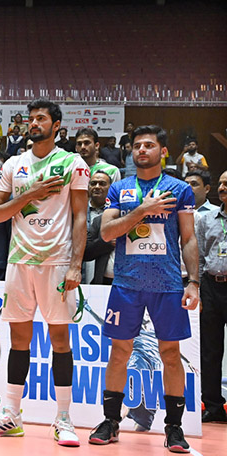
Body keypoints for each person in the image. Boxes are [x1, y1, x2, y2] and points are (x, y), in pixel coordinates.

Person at [0, 98, 89, 446]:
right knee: (19, 340)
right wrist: (34, 193)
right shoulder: (14, 164)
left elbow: (81, 217)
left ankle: (64, 419)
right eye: (31, 119)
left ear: (57, 125)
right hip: (19, 261)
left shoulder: (74, 163)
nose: (33, 123)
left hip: (56, 262)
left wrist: (75, 265)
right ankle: (11, 415)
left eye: (41, 118)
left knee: (60, 341)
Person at [90, 125, 199, 453]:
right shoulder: (120, 188)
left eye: (149, 145)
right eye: (137, 145)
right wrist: (141, 211)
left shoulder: (180, 189)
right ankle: (111, 422)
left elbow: (189, 238)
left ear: (163, 151)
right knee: (120, 352)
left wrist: (192, 281)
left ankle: (174, 428)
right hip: (126, 284)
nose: (141, 150)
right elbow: (107, 233)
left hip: (167, 285)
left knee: (169, 354)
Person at [195, 169, 227, 423]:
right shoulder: (207, 219)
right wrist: (197, 288)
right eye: (222, 183)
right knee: (210, 350)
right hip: (211, 287)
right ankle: (213, 404)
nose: (223, 188)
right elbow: (199, 257)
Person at [83, 170, 115, 285]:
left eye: (102, 184)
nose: (97, 187)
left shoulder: (118, 213)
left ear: (111, 187)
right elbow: (84, 251)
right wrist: (106, 241)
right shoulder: (77, 211)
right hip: (82, 273)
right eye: (93, 183)